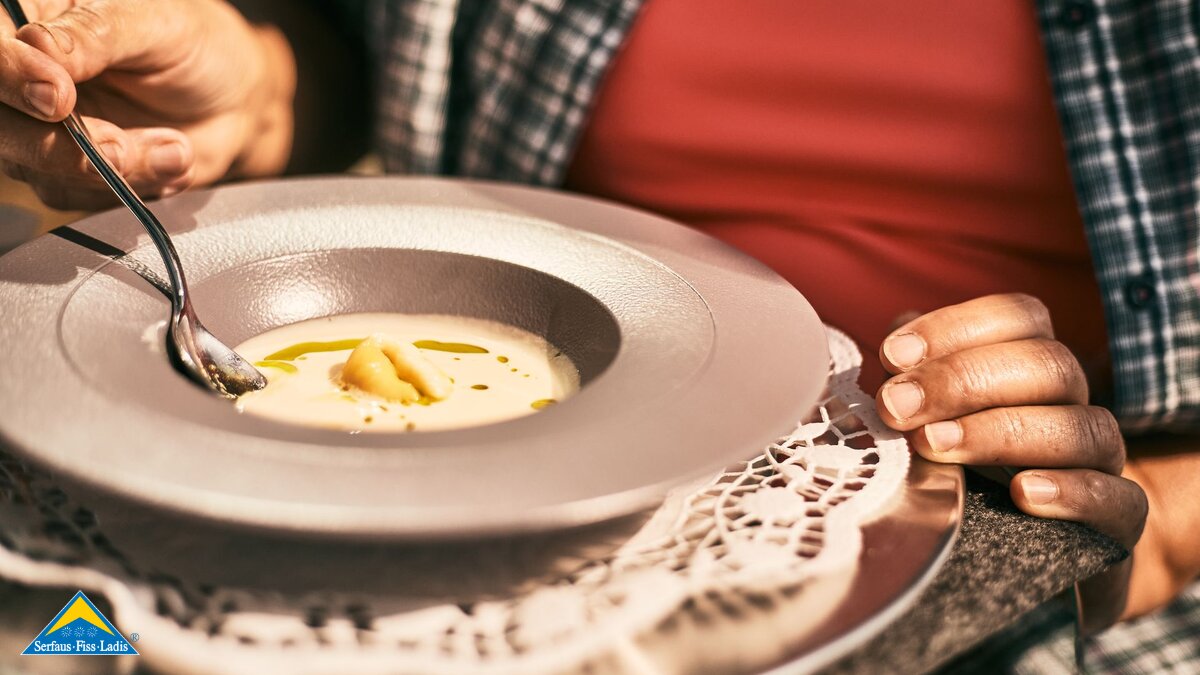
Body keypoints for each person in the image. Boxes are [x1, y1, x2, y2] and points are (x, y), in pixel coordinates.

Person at [1, 0, 1197, 669]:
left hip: (1011, 556)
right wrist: (252, 95)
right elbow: (367, 58)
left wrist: (1152, 532)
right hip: (464, 508)